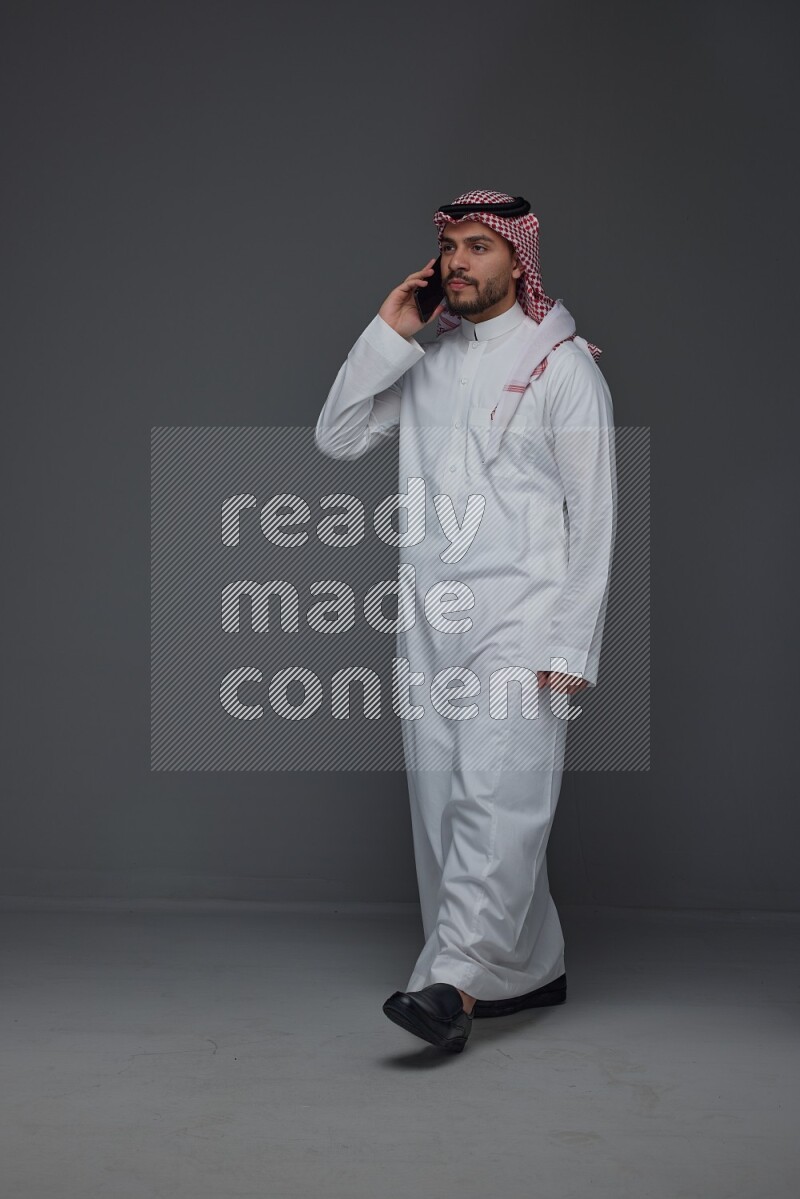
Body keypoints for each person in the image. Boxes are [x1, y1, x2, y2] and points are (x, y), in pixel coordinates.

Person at [315, 189, 617, 1054]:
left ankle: (450, 986)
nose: (457, 262)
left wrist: (571, 647)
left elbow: (595, 517)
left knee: (499, 798)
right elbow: (336, 435)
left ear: (517, 259)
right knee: (446, 802)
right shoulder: (430, 359)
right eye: (448, 245)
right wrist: (388, 332)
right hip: (431, 618)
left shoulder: (564, 369)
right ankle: (527, 965)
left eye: (479, 246)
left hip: (524, 620)